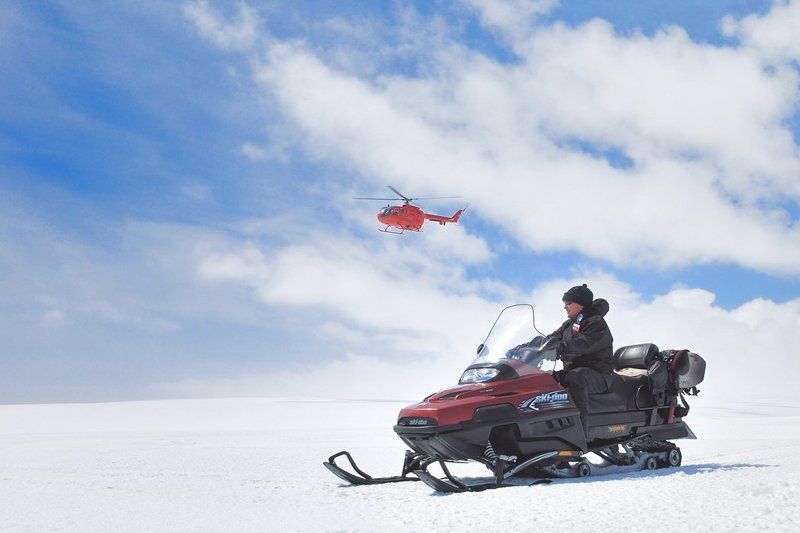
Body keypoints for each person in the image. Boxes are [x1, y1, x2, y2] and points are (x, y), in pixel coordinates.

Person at [550, 284, 613, 438]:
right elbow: (551, 339)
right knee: (546, 379)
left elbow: (586, 342)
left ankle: (579, 435)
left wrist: (562, 348)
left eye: (568, 303)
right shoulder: (569, 325)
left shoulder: (596, 322)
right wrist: (526, 347)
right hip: (575, 371)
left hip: (599, 375)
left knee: (575, 378)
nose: (565, 307)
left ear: (581, 304)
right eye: (565, 303)